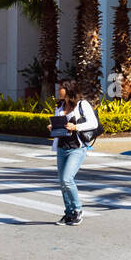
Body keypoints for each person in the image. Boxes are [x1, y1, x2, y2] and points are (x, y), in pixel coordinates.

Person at [47, 79, 98, 226]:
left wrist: (76, 127)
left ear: (69, 89)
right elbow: (61, 125)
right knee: (63, 182)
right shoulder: (60, 106)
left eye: (61, 88)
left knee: (67, 179)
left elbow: (93, 123)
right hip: (62, 147)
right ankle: (68, 213)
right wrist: (53, 127)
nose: (58, 90)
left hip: (76, 148)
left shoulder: (82, 104)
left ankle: (77, 210)